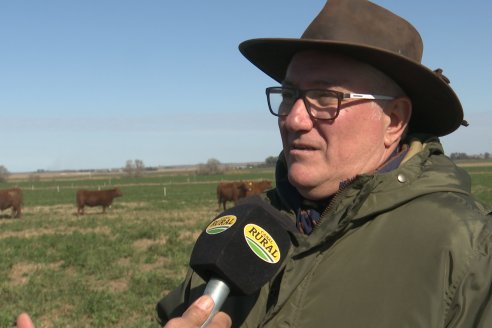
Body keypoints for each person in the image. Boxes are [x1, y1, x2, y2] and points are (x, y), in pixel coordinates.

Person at [156, 0, 492, 326]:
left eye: (324, 97)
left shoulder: (468, 250)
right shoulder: (242, 225)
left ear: (393, 120)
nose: (294, 119)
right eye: (289, 95)